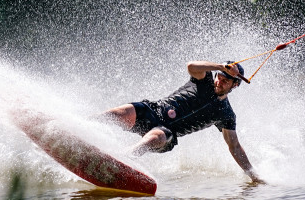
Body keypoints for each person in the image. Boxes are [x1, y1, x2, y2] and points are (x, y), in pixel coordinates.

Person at [102, 61, 263, 183]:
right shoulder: (204, 79)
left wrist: (252, 175)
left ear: (235, 85)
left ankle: (123, 158)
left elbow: (234, 146)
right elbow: (191, 65)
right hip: (154, 111)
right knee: (121, 112)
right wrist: (220, 67)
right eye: (219, 78)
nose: (219, 82)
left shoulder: (226, 114)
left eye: (225, 81)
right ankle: (81, 125)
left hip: (167, 133)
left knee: (158, 135)